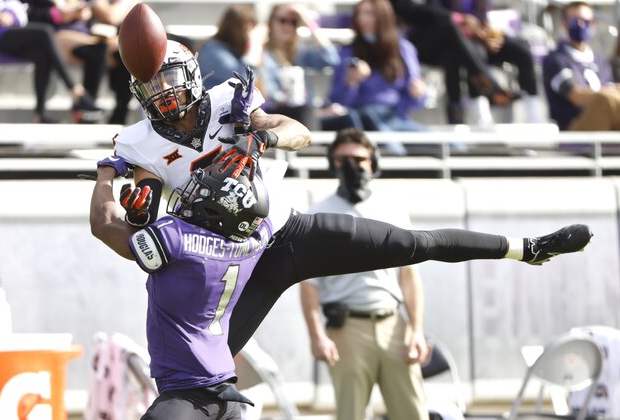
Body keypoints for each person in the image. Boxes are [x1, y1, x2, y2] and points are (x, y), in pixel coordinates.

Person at [103, 37, 593, 359]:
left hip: (288, 232)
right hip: (225, 257)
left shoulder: (231, 99)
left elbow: (295, 131)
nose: (162, 91)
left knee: (410, 243)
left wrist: (260, 139)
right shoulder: (137, 141)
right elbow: (142, 187)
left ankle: (525, 248)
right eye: (150, 82)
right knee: (205, 368)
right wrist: (139, 203)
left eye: (168, 78)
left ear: (190, 73)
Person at [92, 153, 593, 419]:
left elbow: (108, 223)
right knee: (416, 243)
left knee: (412, 244)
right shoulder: (248, 222)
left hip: (270, 245)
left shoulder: (177, 232)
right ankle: (522, 247)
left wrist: (108, 178)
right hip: (265, 239)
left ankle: (525, 247)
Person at [90, 156, 274, 419]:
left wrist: (106, 173)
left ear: (218, 210)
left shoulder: (175, 237)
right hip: (226, 397)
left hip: (186, 399)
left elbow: (104, 223)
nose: (191, 196)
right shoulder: (257, 238)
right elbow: (259, 213)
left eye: (202, 194)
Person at [300, 128, 429, 420]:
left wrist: (417, 329)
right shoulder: (318, 215)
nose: (352, 166)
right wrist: (317, 336)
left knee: (413, 412)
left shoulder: (392, 208)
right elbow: (308, 285)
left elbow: (409, 276)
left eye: (359, 159)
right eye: (343, 159)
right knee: (351, 414)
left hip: (393, 323)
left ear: (373, 162)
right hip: (347, 329)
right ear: (332, 163)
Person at [387, 0, 518, 124]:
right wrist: (458, 18)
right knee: (448, 23)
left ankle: (456, 114)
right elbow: (411, 11)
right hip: (407, 44)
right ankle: (488, 84)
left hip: (437, 39)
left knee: (452, 52)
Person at [322, 0, 428, 142]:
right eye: (359, 14)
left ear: (383, 17)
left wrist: (417, 93)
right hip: (362, 120)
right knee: (380, 136)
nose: (362, 19)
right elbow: (337, 104)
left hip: (394, 119)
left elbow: (415, 99)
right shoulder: (348, 52)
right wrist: (352, 82)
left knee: (452, 144)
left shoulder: (403, 49)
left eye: (369, 14)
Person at [0, 0, 102, 123]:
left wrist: (11, 14)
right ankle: (76, 92)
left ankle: (40, 113)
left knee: (42, 53)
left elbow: (16, 7)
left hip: (10, 29)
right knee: (45, 32)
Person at [439, 0, 544, 125]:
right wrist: (463, 21)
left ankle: (533, 112)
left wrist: (491, 36)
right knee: (474, 55)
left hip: (482, 40)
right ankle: (481, 115)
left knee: (523, 51)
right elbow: (438, 16)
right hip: (458, 44)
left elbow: (484, 20)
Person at [24, 0, 109, 123]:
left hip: (82, 34)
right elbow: (27, 12)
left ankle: (87, 106)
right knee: (46, 40)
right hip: (55, 34)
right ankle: (79, 96)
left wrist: (84, 12)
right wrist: (57, 14)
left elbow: (90, 6)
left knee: (101, 49)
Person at [259, 3, 340, 130]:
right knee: (306, 112)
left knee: (345, 118)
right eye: (283, 20)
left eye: (294, 22)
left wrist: (309, 22)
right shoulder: (262, 53)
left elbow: (331, 59)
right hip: (275, 113)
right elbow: (269, 95)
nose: (288, 26)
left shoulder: (299, 52)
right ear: (271, 22)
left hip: (306, 113)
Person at [542, 1, 620, 131]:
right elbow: (576, 95)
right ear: (565, 23)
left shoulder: (601, 61)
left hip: (606, 122)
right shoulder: (555, 60)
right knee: (603, 100)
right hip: (573, 128)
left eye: (586, 21)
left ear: (593, 24)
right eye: (575, 21)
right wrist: (608, 94)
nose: (581, 25)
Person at [197, 5, 261, 90]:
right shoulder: (212, 51)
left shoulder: (234, 52)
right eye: (249, 29)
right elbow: (244, 79)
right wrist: (254, 44)